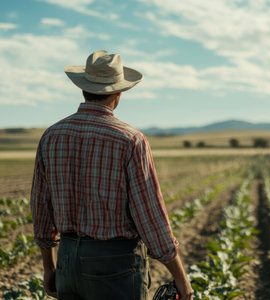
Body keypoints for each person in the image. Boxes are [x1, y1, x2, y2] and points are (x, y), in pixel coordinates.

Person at [30, 50, 194, 300]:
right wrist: (181, 278)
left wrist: (49, 266)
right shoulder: (131, 140)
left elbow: (41, 207)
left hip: (67, 259)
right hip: (115, 266)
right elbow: (150, 215)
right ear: (118, 94)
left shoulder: (51, 136)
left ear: (83, 89)